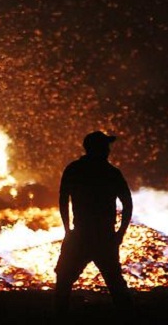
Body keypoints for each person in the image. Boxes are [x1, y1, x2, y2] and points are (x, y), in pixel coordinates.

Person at [54, 130, 134, 315]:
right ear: (97, 148)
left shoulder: (74, 169)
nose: (108, 150)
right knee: (115, 283)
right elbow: (127, 204)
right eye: (105, 146)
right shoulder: (111, 173)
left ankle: (59, 317)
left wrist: (68, 230)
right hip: (104, 237)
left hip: (81, 234)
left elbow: (63, 200)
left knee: (64, 280)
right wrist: (119, 233)